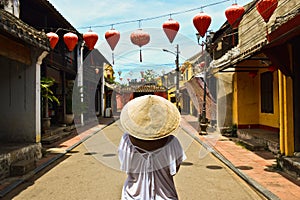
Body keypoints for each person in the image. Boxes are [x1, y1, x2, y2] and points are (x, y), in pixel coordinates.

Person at [118, 95, 186, 200]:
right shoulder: (172, 143)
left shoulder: (126, 141)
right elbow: (174, 170)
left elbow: (126, 167)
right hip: (165, 195)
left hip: (132, 196)